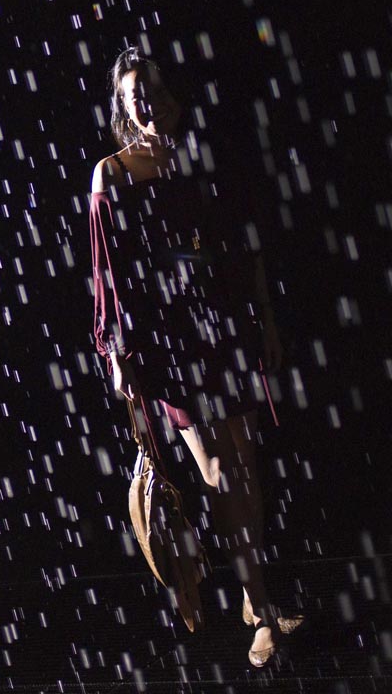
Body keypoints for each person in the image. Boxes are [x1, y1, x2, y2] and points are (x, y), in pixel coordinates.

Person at [88, 46, 303, 667]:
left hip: (223, 323)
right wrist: (116, 350)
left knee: (245, 464)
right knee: (216, 469)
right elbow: (109, 273)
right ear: (125, 110)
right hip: (168, 340)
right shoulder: (115, 173)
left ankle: (256, 601)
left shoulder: (202, 156)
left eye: (153, 92)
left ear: (171, 94)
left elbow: (243, 240)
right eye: (135, 99)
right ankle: (255, 602)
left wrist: (263, 315)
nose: (147, 105)